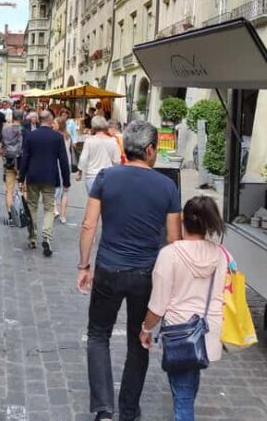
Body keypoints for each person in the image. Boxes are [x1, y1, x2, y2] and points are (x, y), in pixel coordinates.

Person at [76, 120, 183, 421]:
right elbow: (174, 241)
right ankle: (129, 409)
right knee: (140, 337)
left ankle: (103, 410)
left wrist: (84, 265)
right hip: (146, 273)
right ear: (150, 150)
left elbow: (88, 225)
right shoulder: (167, 186)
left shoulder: (107, 177)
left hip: (109, 267)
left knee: (98, 334)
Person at [140, 196, 228, 421]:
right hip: (207, 332)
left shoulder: (170, 254)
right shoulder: (220, 255)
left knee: (183, 399)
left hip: (180, 334)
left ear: (182, 221)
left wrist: (146, 329)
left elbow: (158, 305)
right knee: (188, 387)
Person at [18, 110, 70, 256]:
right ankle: (46, 236)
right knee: (49, 208)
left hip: (33, 176)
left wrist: (21, 178)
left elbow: (25, 158)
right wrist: (66, 180)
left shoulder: (30, 136)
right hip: (50, 177)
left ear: (39, 120)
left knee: (32, 207)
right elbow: (63, 160)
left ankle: (32, 237)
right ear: (50, 120)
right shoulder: (57, 137)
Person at [77, 116, 122, 193]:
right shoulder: (113, 141)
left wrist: (80, 172)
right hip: (108, 176)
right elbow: (117, 161)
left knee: (93, 202)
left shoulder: (89, 141)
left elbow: (83, 158)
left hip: (91, 176)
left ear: (93, 126)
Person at [0, 110, 24, 216]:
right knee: (24, 189)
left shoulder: (5, 130)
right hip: (21, 162)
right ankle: (23, 213)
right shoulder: (24, 131)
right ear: (21, 118)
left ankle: (10, 213)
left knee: (9, 190)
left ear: (12, 117)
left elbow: (0, 148)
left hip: (8, 162)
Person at [53, 117, 72, 225]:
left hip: (57, 163)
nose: (52, 125)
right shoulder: (67, 136)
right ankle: (63, 216)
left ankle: (55, 210)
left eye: (55, 123)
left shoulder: (56, 137)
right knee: (65, 191)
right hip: (67, 164)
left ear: (59, 124)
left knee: (54, 188)